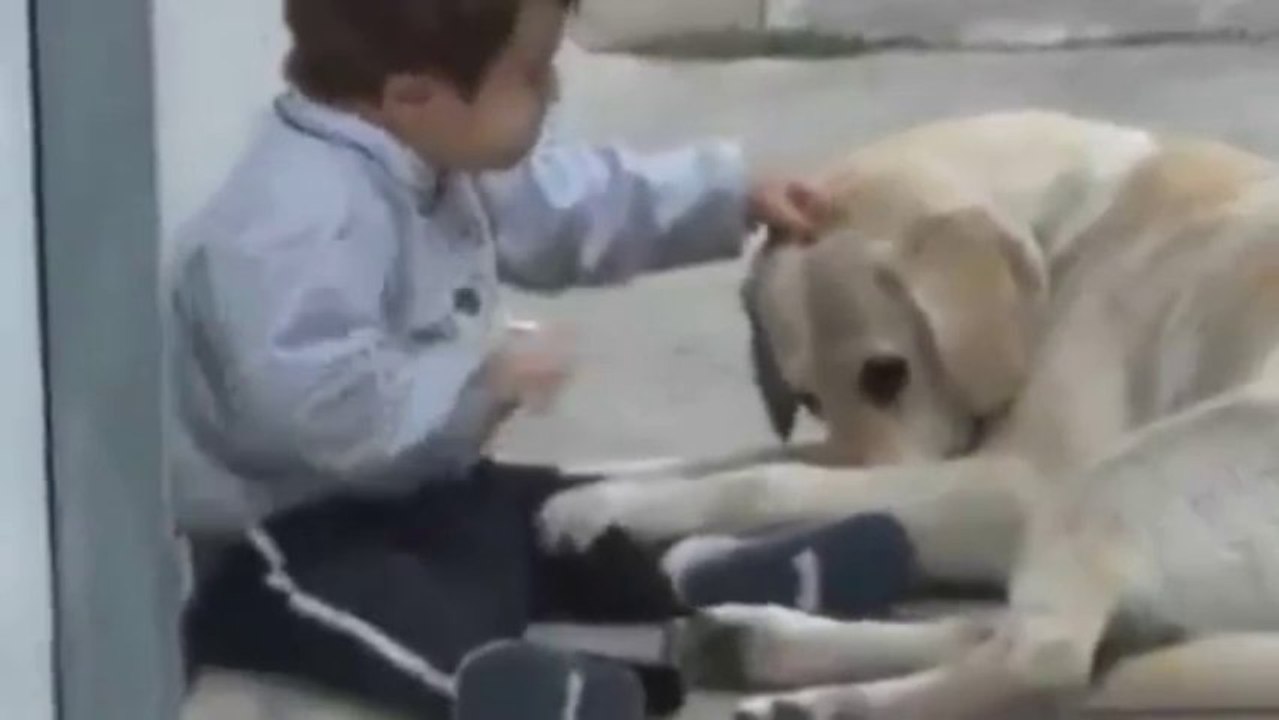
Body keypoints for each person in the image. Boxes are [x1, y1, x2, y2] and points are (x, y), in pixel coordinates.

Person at [168, 0, 835, 717]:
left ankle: (708, 575)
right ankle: (511, 690)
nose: (550, 92)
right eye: (530, 75)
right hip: (289, 535)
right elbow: (309, 411)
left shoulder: (434, 154)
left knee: (564, 518)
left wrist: (729, 194)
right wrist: (477, 386)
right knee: (389, 614)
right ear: (411, 94)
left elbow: (567, 203)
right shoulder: (290, 221)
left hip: (426, 489)